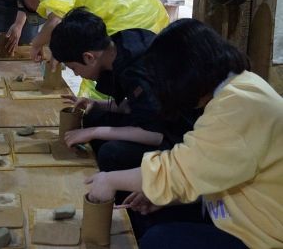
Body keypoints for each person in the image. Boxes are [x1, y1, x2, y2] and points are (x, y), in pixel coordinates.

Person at [86, 19, 283, 249]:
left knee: (157, 241)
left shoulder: (239, 106)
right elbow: (212, 167)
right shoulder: (241, 87)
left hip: (261, 236)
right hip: (233, 210)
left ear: (186, 75)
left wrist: (109, 179)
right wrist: (168, 198)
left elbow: (179, 169)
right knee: (147, 214)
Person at [49, 8, 198, 185]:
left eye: (74, 68)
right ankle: (101, 173)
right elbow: (140, 106)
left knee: (111, 153)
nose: (76, 74)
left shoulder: (136, 72)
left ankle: (119, 196)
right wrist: (97, 104)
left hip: (182, 135)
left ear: (89, 57)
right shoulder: (123, 41)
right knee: (94, 115)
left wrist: (94, 132)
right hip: (161, 117)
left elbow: (156, 133)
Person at [17, 0, 169, 97]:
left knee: (100, 73)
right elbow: (63, 25)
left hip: (131, 13)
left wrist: (36, 44)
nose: (37, 10)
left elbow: (56, 21)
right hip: (140, 9)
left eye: (31, 8)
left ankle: (100, 117)